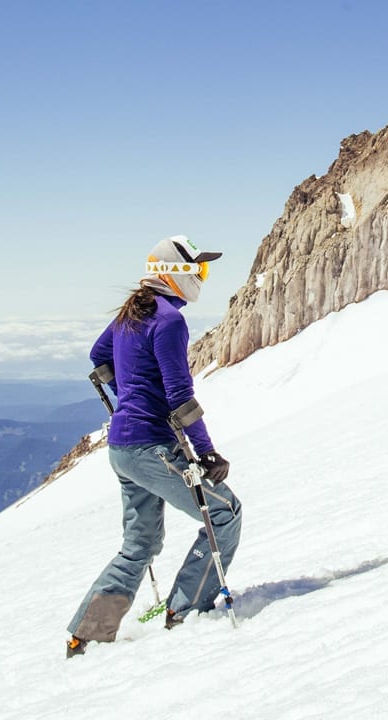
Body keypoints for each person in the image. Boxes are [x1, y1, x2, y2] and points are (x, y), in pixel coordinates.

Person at [65, 235, 241, 658]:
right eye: (198, 270)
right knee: (224, 511)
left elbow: (98, 355)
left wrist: (129, 392)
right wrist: (207, 453)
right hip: (152, 448)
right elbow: (181, 395)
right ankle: (186, 609)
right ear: (174, 273)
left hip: (121, 447)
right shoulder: (168, 320)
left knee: (138, 544)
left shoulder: (132, 313)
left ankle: (86, 634)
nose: (202, 277)